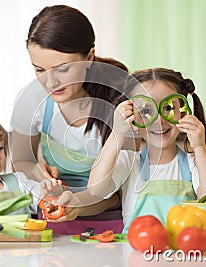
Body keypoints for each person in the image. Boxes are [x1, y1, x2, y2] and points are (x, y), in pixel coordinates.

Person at [10, 5, 132, 234]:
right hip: (49, 221)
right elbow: (21, 163)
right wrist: (37, 170)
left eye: (63, 69)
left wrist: (76, 206)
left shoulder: (117, 102)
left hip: (108, 225)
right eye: (39, 69)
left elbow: (115, 194)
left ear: (89, 58)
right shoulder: (31, 101)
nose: (50, 82)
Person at [87, 68, 206, 233]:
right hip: (135, 253)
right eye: (145, 111)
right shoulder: (130, 162)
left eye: (167, 108)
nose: (159, 120)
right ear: (133, 118)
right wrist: (117, 133)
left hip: (182, 253)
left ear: (183, 112)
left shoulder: (194, 163)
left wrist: (199, 147)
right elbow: (95, 189)